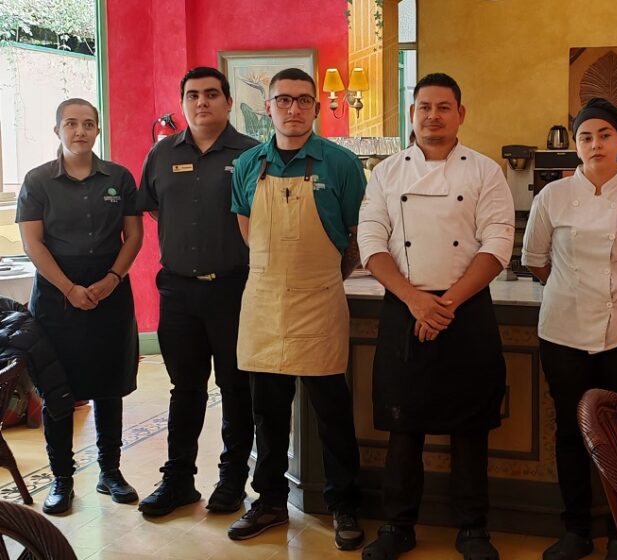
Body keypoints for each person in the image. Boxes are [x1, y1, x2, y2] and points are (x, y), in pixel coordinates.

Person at [358, 73, 514, 560]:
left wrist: (444, 304)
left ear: (460, 114)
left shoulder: (486, 172)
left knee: (470, 427)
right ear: (412, 114)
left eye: (444, 107)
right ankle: (397, 526)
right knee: (405, 428)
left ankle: (472, 529)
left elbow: (498, 245)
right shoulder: (386, 173)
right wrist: (416, 301)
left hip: (464, 310)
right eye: (424, 106)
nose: (433, 115)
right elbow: (370, 244)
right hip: (406, 306)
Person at [522, 98, 617, 560]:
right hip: (563, 332)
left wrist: (615, 291)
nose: (595, 144)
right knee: (571, 430)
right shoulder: (552, 196)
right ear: (575, 145)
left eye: (604, 135)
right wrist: (573, 290)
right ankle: (576, 529)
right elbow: (534, 259)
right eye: (585, 136)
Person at [227, 68, 365, 550]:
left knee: (333, 412)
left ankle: (344, 502)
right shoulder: (248, 165)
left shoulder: (342, 165)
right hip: (264, 302)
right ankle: (267, 502)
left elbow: (353, 239)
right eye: (283, 100)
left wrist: (318, 277)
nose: (294, 108)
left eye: (304, 100)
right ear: (268, 107)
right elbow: (247, 230)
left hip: (321, 299)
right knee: (267, 412)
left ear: (315, 107)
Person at [137, 67, 258, 516]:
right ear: (183, 103)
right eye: (193, 95)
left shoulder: (251, 153)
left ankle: (231, 481)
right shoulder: (161, 153)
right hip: (178, 293)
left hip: (235, 290)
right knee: (184, 388)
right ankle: (179, 480)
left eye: (211, 94)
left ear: (228, 102)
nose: (202, 102)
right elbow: (150, 209)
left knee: (235, 387)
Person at [17, 98, 143, 514]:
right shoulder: (37, 181)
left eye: (89, 124)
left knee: (110, 386)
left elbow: (135, 236)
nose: (80, 131)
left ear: (97, 130)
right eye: (71, 124)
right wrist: (69, 288)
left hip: (110, 292)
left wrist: (111, 280)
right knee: (58, 390)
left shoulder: (119, 178)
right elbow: (33, 242)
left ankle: (111, 471)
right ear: (57, 130)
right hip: (56, 299)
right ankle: (62, 480)